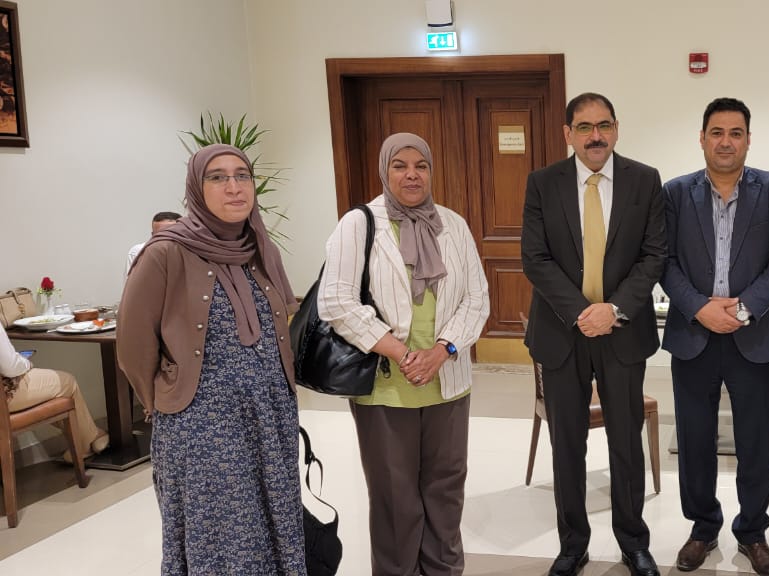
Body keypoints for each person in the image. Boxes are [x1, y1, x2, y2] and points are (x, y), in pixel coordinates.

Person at [117, 144, 303, 574]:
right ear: (196, 189)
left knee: (273, 523)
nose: (234, 187)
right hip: (201, 427)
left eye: (242, 175)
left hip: (268, 418)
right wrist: (165, 400)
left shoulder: (259, 247)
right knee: (221, 536)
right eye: (217, 177)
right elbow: (132, 345)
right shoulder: (165, 252)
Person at [317, 132, 489, 576]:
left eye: (421, 166)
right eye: (400, 166)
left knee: (445, 492)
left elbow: (477, 298)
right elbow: (335, 300)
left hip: (447, 383)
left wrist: (443, 350)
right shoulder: (359, 224)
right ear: (385, 171)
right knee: (395, 499)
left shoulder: (453, 224)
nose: (412, 175)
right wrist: (400, 352)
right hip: (385, 387)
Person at [521, 92, 666, 576]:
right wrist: (583, 312)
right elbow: (535, 258)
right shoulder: (543, 183)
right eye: (584, 127)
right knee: (567, 445)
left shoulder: (645, 180)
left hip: (622, 335)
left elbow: (654, 255)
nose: (595, 136)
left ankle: (634, 543)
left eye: (604, 125)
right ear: (568, 134)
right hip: (562, 334)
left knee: (626, 443)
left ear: (617, 129)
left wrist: (615, 310)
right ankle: (572, 544)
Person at [659, 97, 769, 575]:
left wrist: (742, 308)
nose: (725, 142)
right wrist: (699, 307)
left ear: (748, 140)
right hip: (693, 334)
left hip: (752, 334)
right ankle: (702, 528)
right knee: (695, 439)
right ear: (702, 138)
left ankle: (753, 532)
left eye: (736, 133)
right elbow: (664, 261)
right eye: (716, 132)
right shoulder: (675, 193)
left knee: (757, 441)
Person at [1, 330, 108, 460]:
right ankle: (85, 445)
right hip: (5, 396)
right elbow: (10, 366)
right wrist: (26, 363)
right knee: (66, 382)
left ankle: (91, 436)